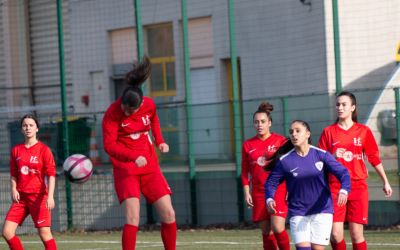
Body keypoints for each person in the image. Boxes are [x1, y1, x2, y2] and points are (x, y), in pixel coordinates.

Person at [102, 56, 176, 250]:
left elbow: (154, 121)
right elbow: (109, 146)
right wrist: (133, 157)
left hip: (150, 167)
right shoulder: (112, 113)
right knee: (133, 217)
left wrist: (160, 141)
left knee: (169, 213)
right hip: (126, 170)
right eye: (124, 109)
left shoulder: (149, 105)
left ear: (140, 105)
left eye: (130, 111)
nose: (126, 112)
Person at [318, 91, 393, 250]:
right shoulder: (328, 132)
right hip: (335, 187)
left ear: (353, 107)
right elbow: (319, 161)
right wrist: (332, 156)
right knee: (335, 235)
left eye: (344, 104)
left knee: (356, 234)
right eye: (338, 104)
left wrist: (385, 181)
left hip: (358, 187)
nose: (340, 107)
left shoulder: (363, 131)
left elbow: (374, 158)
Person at [265, 120, 351, 250]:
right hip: (298, 211)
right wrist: (269, 198)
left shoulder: (321, 155)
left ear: (308, 134)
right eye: (291, 132)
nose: (294, 134)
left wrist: (344, 190)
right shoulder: (285, 161)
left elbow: (343, 173)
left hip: (322, 211)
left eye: (298, 131)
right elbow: (271, 183)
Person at [2, 114, 57, 250]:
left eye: (31, 125)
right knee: (7, 232)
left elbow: (51, 175)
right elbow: (14, 174)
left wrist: (50, 197)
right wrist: (13, 189)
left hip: (39, 197)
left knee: (44, 233)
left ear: (37, 128)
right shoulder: (16, 150)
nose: (28, 128)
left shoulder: (44, 150)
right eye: (25, 125)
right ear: (21, 129)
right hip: (21, 198)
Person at [241, 102, 290, 250]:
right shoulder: (248, 145)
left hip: (278, 190)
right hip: (258, 192)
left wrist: (289, 188)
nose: (259, 125)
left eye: (263, 122)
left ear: (270, 123)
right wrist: (247, 192)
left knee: (277, 227)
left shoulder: (281, 141)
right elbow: (245, 171)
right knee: (266, 231)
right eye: (256, 122)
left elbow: (289, 167)